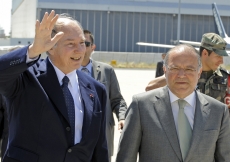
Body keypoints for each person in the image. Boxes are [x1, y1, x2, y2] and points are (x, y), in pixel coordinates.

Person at [0, 11, 108, 162]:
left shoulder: (96, 89)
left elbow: (99, 147)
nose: (80, 50)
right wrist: (33, 50)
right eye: (71, 44)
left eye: (82, 43)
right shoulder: (26, 78)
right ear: (50, 47)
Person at [116, 44, 230, 162]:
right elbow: (125, 158)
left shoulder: (218, 111)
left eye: (189, 69)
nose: (181, 75)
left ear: (199, 72)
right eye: (174, 68)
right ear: (165, 70)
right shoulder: (141, 106)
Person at [79, 29, 127, 161]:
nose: (81, 47)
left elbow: (117, 100)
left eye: (86, 43)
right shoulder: (67, 71)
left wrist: (122, 117)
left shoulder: (107, 70)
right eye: (78, 43)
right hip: (76, 140)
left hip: (102, 136)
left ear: (93, 47)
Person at [145, 33, 230, 106]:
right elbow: (149, 88)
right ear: (205, 53)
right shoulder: (184, 73)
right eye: (218, 56)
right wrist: (173, 76)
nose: (221, 61)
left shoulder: (225, 77)